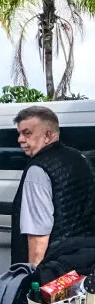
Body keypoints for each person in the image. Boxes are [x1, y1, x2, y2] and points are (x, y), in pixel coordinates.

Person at [10, 105, 95, 265]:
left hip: (54, 268)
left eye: (27, 133)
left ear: (47, 135)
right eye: (19, 134)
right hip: (85, 261)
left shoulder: (38, 170)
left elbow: (38, 234)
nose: (20, 139)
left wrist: (32, 277)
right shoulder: (80, 158)